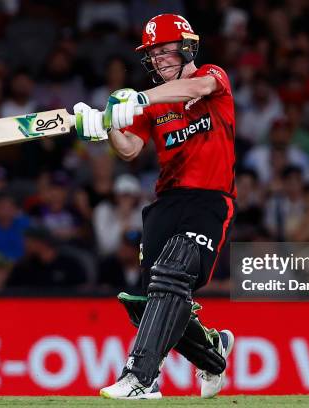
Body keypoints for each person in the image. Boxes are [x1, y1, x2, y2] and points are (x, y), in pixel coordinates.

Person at [73, 14, 236, 399]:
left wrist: (139, 98)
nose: (160, 60)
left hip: (209, 198)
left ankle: (141, 377)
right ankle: (213, 354)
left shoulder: (211, 77)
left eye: (165, 51)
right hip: (167, 202)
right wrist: (106, 126)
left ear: (186, 47)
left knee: (172, 273)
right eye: (154, 55)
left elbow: (198, 85)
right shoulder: (150, 106)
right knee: (147, 299)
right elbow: (129, 150)